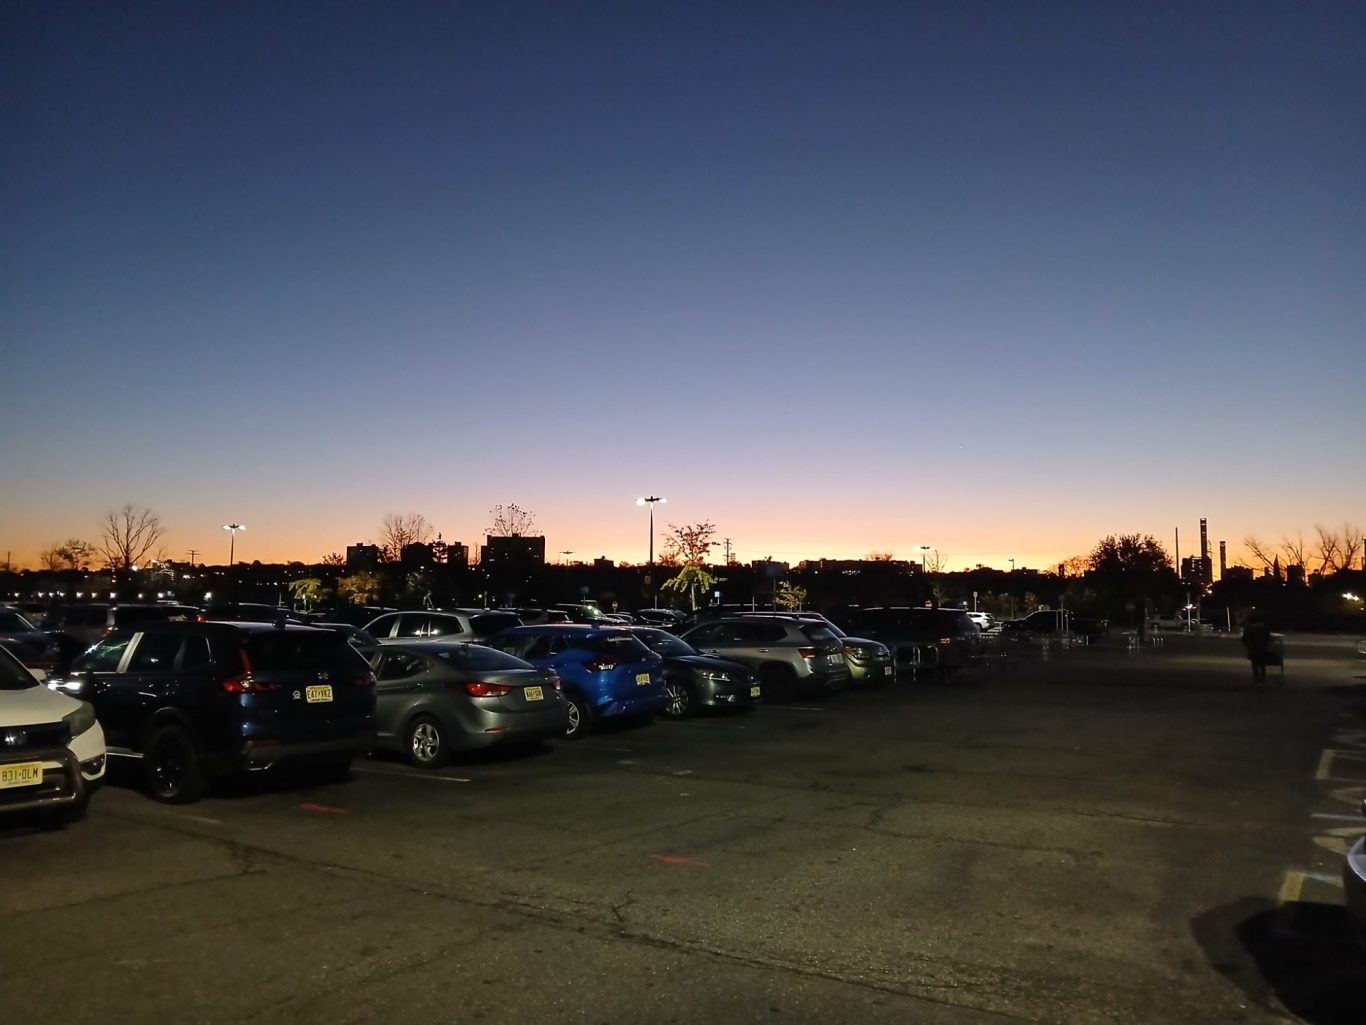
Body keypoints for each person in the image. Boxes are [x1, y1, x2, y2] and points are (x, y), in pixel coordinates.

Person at [1240, 612, 1273, 683]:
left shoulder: (1249, 628)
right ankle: (1263, 679)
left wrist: (1248, 646)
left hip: (1253, 649)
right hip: (1262, 648)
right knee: (1262, 665)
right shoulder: (1263, 627)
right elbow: (1269, 638)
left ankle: (1256, 679)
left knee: (1255, 665)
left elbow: (1244, 639)